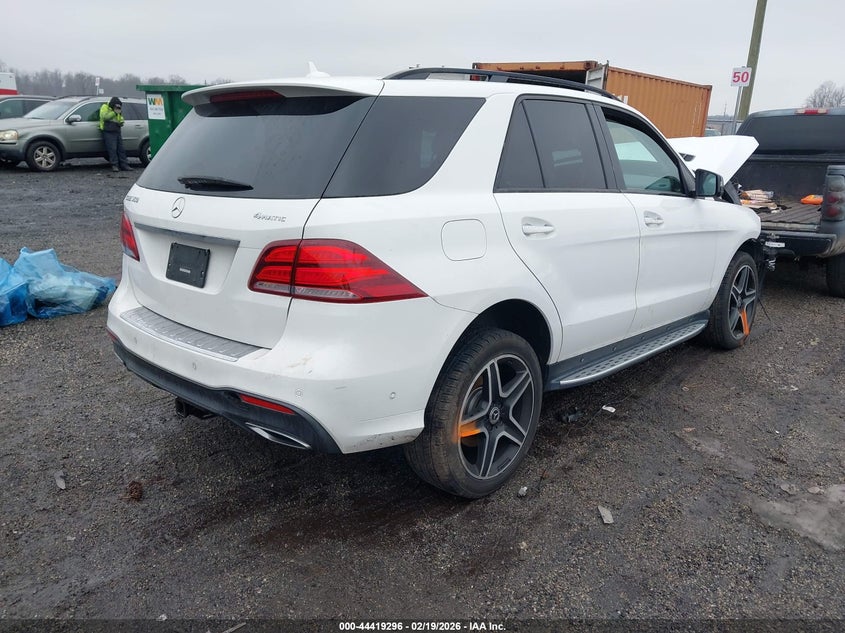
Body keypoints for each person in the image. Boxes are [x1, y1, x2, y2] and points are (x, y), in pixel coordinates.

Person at [99, 97, 132, 172]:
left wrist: (121, 121)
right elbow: (105, 117)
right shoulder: (105, 107)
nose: (117, 107)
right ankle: (115, 165)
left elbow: (120, 118)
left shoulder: (118, 109)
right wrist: (114, 112)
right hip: (108, 131)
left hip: (117, 130)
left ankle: (124, 165)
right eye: (116, 106)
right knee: (112, 149)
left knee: (121, 149)